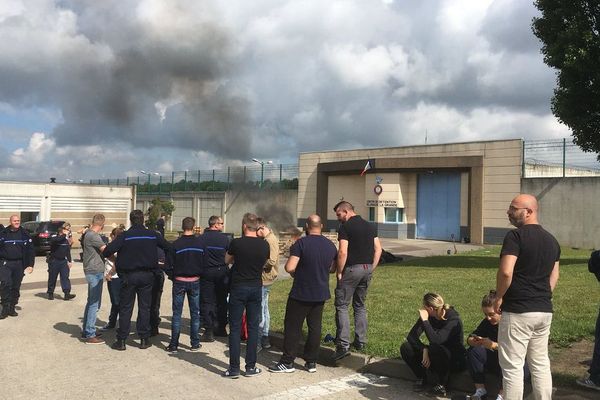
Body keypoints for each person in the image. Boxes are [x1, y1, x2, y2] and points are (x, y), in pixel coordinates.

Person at [494, 194, 560, 400]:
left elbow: (506, 272)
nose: (508, 212)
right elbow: (554, 275)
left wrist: (499, 297)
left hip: (518, 311)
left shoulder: (515, 237)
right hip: (543, 310)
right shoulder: (552, 240)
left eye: (513, 208)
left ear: (529, 211)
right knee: (540, 363)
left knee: (512, 367)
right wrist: (542, 295)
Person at [268, 214, 337, 373]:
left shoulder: (301, 244)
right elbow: (332, 269)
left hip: (301, 292)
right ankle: (311, 362)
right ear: (321, 226)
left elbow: (290, 267)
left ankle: (287, 362)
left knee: (293, 327)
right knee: (315, 327)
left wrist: (296, 273)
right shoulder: (330, 246)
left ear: (307, 226)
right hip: (320, 292)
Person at [103, 210, 171, 351]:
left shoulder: (125, 236)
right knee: (145, 307)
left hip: (128, 276)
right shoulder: (152, 235)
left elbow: (107, 251)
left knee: (126, 307)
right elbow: (169, 247)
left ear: (131, 220)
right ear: (143, 220)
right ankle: (144, 339)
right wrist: (164, 264)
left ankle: (121, 340)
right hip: (147, 276)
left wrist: (121, 258)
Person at [332, 201, 382, 361]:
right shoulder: (370, 225)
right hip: (367, 269)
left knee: (342, 305)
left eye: (339, 215)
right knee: (359, 305)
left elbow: (342, 252)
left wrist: (339, 272)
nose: (338, 218)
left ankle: (343, 345)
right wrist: (371, 267)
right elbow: (378, 249)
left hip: (352, 269)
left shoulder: (345, 228)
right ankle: (360, 341)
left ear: (346, 211)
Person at [222, 213, 270, 379]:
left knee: (235, 328)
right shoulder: (264, 245)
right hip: (256, 287)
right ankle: (250, 367)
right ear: (256, 226)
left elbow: (226, 260)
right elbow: (264, 263)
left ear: (244, 226)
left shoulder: (236, 243)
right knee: (253, 327)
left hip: (238, 287)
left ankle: (234, 368)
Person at [400, 292, 466, 397]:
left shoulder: (453, 318)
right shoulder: (430, 316)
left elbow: (436, 340)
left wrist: (425, 320)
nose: (423, 309)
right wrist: (424, 349)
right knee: (406, 347)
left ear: (430, 308)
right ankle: (422, 377)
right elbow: (412, 336)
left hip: (454, 359)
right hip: (435, 353)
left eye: (424, 307)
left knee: (436, 348)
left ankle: (442, 384)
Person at [164, 217, 203, 353]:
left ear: (182, 226)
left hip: (179, 281)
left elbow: (168, 265)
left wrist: (172, 276)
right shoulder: (200, 244)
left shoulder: (175, 244)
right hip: (195, 280)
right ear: (193, 227)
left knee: (177, 313)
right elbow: (205, 263)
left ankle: (174, 344)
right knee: (195, 313)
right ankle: (195, 342)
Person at [199, 215, 230, 342]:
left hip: (206, 271)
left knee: (207, 301)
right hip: (222, 271)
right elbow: (230, 255)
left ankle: (209, 330)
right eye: (221, 223)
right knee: (222, 300)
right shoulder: (225, 239)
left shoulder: (201, 239)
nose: (222, 225)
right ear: (215, 224)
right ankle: (221, 328)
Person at [0, 215, 35, 319]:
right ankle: (5, 307)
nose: (17, 222)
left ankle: (12, 307)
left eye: (18, 220)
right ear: (10, 222)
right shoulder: (3, 233)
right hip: (5, 263)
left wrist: (30, 265)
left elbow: (30, 250)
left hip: (19, 264)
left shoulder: (24, 234)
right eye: (15, 221)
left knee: (16, 286)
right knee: (6, 283)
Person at [81, 214, 107, 344]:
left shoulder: (88, 234)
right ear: (102, 225)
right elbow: (106, 250)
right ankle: (90, 333)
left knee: (91, 301)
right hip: (95, 271)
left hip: (91, 270)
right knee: (94, 303)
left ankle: (87, 329)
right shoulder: (94, 236)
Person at [257, 217, 279, 351]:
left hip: (265, 278)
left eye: (256, 230)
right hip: (266, 278)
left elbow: (271, 261)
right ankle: (264, 336)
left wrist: (258, 266)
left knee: (261, 309)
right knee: (264, 308)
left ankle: (262, 338)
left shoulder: (270, 240)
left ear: (262, 228)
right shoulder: (268, 239)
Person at [101, 226, 125, 331]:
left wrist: (110, 273)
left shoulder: (113, 247)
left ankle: (114, 323)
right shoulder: (121, 245)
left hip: (115, 277)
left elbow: (116, 262)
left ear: (113, 235)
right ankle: (114, 322)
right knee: (117, 301)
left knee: (116, 301)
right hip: (118, 276)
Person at [46, 224, 76, 301]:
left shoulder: (65, 241)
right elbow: (57, 240)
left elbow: (67, 251)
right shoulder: (54, 238)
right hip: (54, 261)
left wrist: (69, 261)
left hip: (63, 261)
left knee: (65, 277)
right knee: (52, 278)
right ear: (61, 231)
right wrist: (64, 235)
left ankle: (67, 293)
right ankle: (50, 292)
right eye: (65, 231)